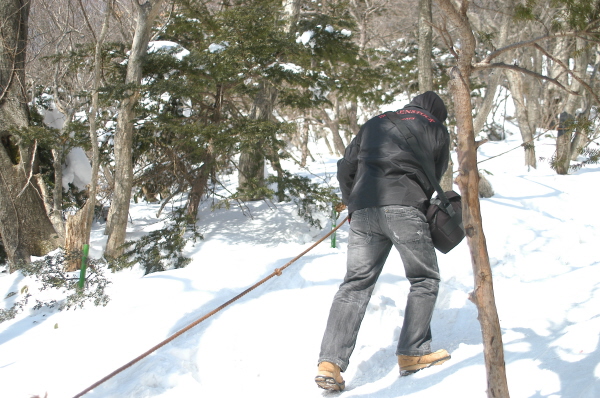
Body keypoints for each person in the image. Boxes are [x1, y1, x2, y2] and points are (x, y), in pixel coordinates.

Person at [315, 91, 451, 391]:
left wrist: (353, 203)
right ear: (437, 114)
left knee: (355, 285)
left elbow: (345, 167)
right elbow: (435, 178)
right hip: (405, 206)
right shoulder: (437, 128)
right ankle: (413, 353)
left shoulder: (376, 121)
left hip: (363, 209)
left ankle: (330, 364)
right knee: (424, 279)